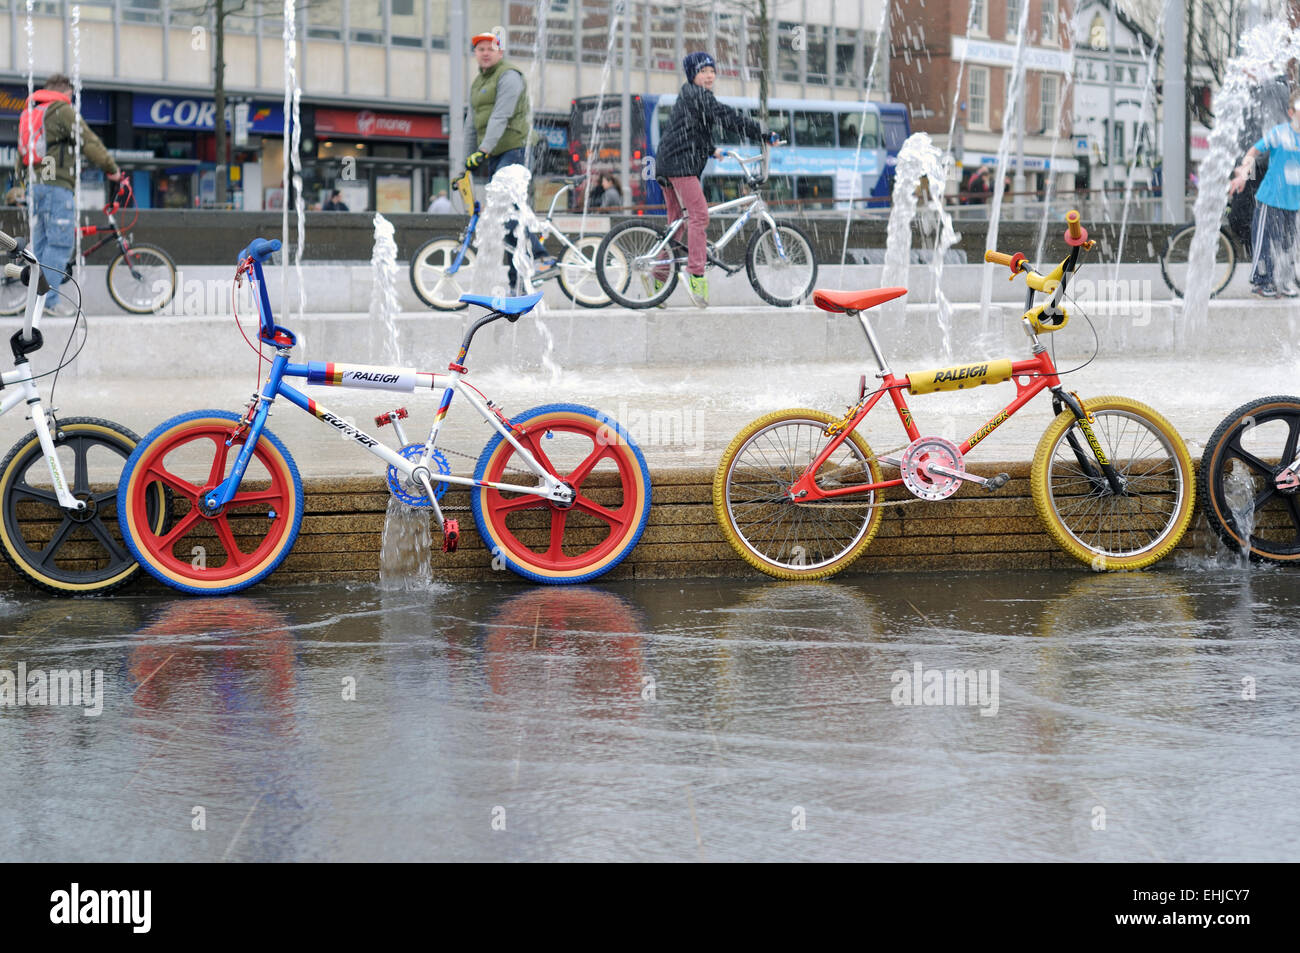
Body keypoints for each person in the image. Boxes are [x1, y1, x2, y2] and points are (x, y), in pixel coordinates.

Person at [655, 50, 774, 307]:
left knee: (677, 224)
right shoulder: (698, 96)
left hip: (669, 163)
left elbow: (690, 129)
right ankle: (696, 274)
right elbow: (728, 117)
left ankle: (657, 281)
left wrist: (711, 150)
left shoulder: (690, 96)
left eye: (711, 71)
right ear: (692, 76)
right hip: (680, 165)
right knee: (699, 216)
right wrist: (762, 133)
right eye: (702, 72)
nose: (709, 76)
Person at [14, 73, 123, 315]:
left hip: (36, 186)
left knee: (40, 247)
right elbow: (89, 141)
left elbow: (20, 155)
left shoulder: (30, 114)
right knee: (60, 244)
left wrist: (24, 185)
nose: (72, 100)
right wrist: (112, 170)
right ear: (64, 91)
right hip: (56, 185)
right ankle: (48, 302)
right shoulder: (61, 110)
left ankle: (33, 303)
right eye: (71, 96)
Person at [463, 27, 556, 284]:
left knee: (511, 209)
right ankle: (519, 279)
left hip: (518, 147)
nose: (484, 53)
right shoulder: (478, 83)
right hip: (497, 152)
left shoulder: (509, 76)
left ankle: (542, 258)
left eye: (490, 48)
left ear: (500, 51)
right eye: (480, 49)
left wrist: (482, 150)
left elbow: (501, 115)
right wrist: (465, 163)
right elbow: (471, 125)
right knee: (503, 219)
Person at [1230, 92, 1300, 298]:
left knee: (1287, 244)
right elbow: (1253, 152)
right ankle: (1262, 281)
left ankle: (1285, 280)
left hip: (1292, 203)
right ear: (1291, 112)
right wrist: (1243, 175)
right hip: (1270, 199)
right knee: (1264, 241)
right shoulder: (1280, 132)